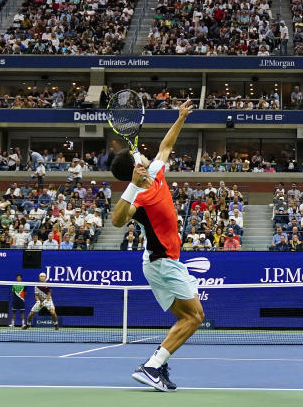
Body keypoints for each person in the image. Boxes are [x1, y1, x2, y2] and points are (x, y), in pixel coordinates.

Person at [110, 99, 200, 392]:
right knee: (196, 316)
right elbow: (116, 221)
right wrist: (133, 186)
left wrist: (181, 118)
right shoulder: (138, 198)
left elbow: (165, 146)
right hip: (162, 262)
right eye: (141, 159)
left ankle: (158, 365)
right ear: (136, 168)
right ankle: (151, 366)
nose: (148, 157)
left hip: (159, 262)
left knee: (184, 318)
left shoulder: (158, 172)